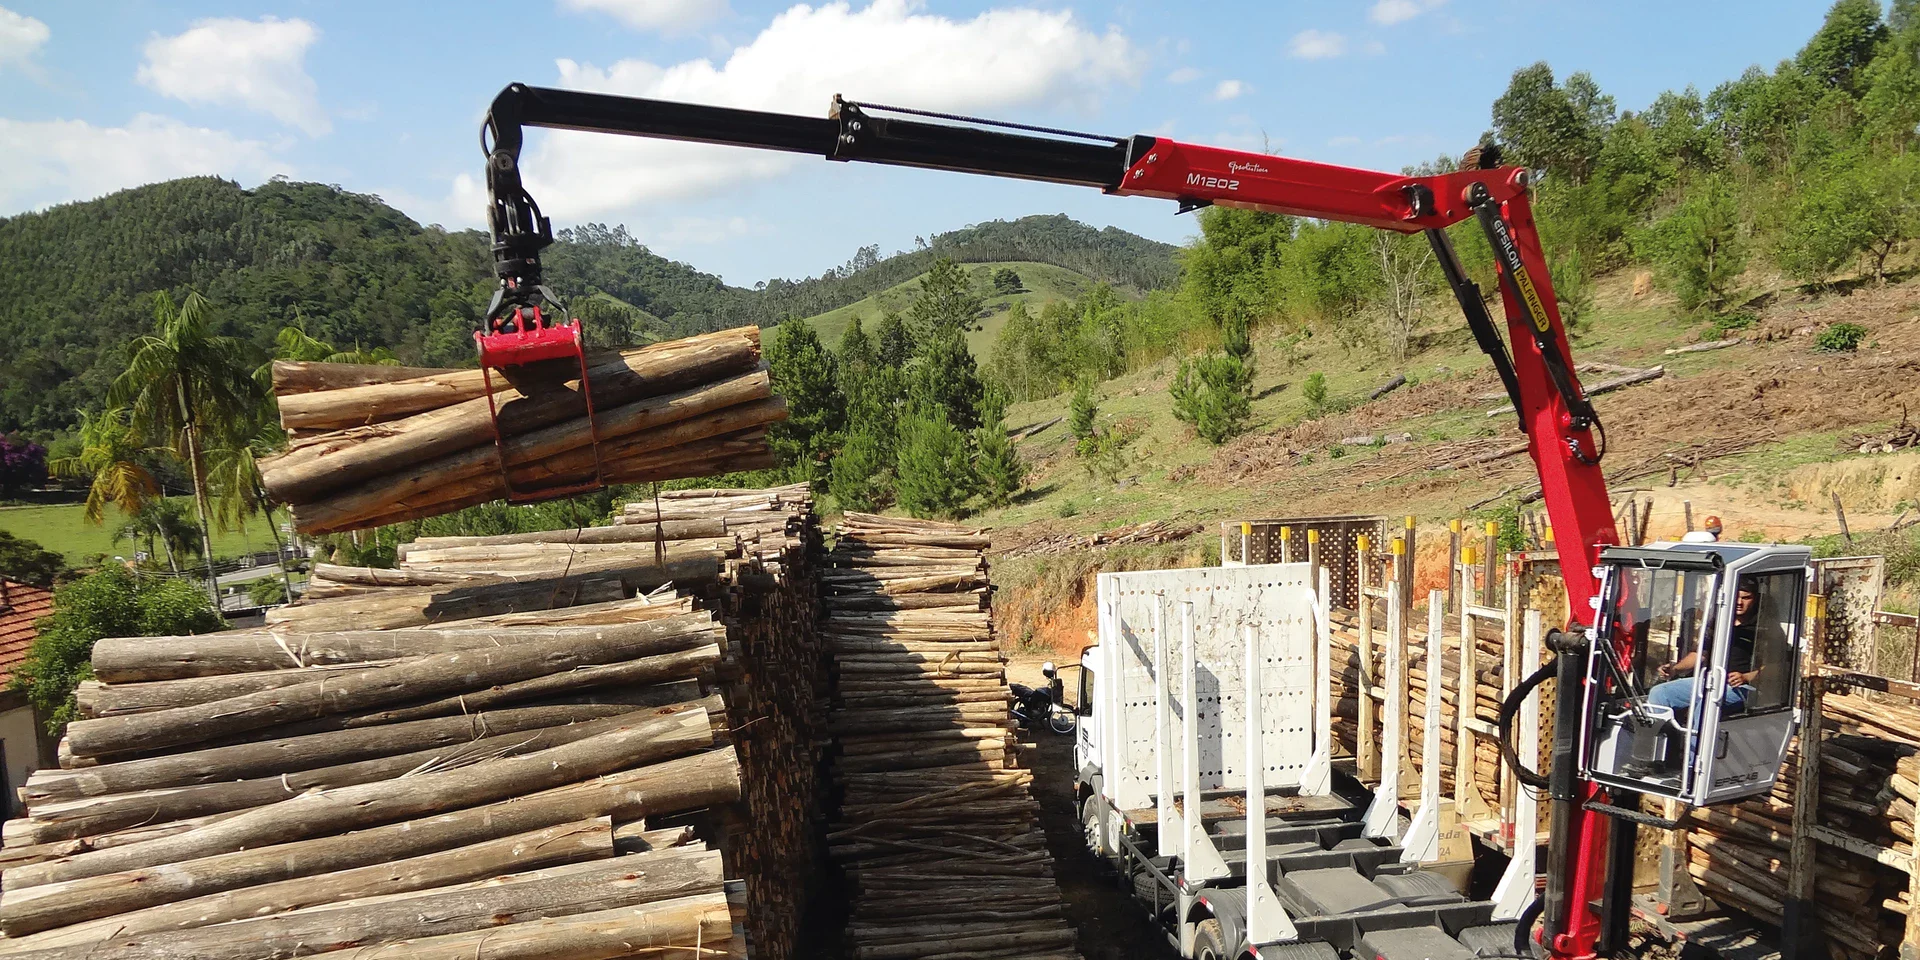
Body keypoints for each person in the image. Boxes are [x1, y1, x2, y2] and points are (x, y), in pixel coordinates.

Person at [1647, 582, 1757, 713]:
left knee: (1706, 704)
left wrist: (1746, 677)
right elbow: (1699, 654)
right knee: (1659, 693)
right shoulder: (1719, 621)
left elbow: (1774, 666)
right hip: (1710, 681)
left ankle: (1695, 734)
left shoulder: (1762, 626)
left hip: (1742, 688)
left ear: (1755, 599)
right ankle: (1658, 733)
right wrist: (1675, 669)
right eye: (1736, 597)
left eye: (1746, 598)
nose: (1739, 602)